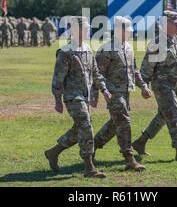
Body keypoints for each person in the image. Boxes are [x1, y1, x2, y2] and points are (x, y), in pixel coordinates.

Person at [132, 11, 177, 162]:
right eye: (175, 22)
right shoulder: (157, 43)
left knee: (163, 116)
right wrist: (144, 87)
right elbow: (146, 68)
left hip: (173, 85)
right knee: (174, 115)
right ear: (165, 24)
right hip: (161, 85)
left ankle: (140, 142)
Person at [45, 16, 112, 178]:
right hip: (72, 97)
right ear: (77, 30)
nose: (89, 30)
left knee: (79, 129)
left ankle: (54, 152)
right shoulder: (65, 52)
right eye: (86, 28)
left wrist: (104, 90)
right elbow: (58, 78)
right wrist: (57, 100)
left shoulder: (88, 49)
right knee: (86, 126)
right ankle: (89, 167)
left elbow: (96, 73)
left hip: (85, 96)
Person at [92, 16, 152, 172]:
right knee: (124, 121)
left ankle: (92, 146)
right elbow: (97, 73)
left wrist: (143, 87)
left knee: (115, 123)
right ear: (119, 31)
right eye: (127, 31)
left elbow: (135, 71)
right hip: (113, 92)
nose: (130, 34)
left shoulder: (129, 48)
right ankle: (129, 158)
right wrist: (98, 93)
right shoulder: (107, 49)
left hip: (126, 92)